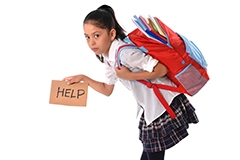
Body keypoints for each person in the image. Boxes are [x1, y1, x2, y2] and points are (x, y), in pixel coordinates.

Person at [63, 4, 199, 160]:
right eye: (87, 37)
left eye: (96, 35)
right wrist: (83, 78)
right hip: (151, 106)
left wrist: (129, 76)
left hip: (163, 104)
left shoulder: (125, 53)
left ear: (111, 34)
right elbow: (107, 89)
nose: (91, 42)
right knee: (149, 154)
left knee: (152, 154)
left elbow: (161, 69)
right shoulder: (109, 58)